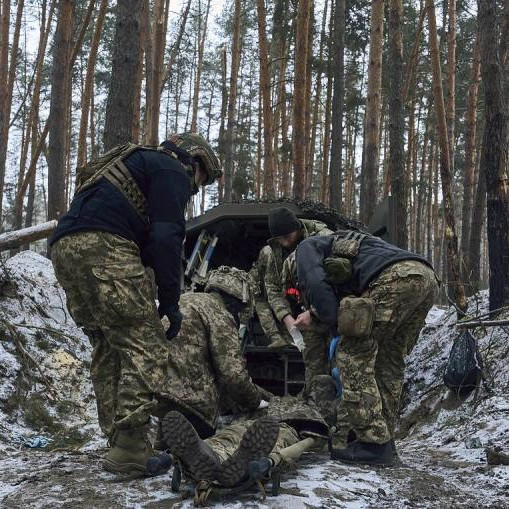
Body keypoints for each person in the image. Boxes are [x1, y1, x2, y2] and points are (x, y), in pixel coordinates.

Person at [50, 133, 221, 476]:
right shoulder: (172, 170)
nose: (195, 190)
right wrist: (171, 302)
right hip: (104, 245)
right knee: (147, 345)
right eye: (201, 181)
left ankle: (119, 439)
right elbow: (166, 237)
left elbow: (144, 239)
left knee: (108, 345)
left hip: (64, 248)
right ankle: (130, 447)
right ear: (195, 161)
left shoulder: (131, 165)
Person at [292, 230, 439, 466]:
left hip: (394, 279)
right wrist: (315, 314)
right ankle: (385, 441)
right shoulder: (349, 246)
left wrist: (326, 318)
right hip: (426, 277)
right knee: (388, 361)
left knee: (351, 353)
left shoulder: (305, 249)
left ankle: (372, 443)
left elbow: (319, 288)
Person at [156, 266, 263, 439]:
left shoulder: (185, 299)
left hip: (156, 390)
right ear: (237, 300)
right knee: (200, 444)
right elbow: (232, 374)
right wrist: (255, 401)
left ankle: (163, 448)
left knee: (170, 443)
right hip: (192, 401)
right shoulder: (219, 314)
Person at [263, 206, 332, 389]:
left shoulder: (324, 237)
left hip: (331, 312)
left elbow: (339, 282)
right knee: (314, 368)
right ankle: (317, 406)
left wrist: (314, 312)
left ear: (298, 228)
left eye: (288, 236)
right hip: (305, 319)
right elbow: (272, 287)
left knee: (338, 365)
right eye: (280, 238)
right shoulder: (275, 251)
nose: (285, 243)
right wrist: (286, 317)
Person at [249, 246, 291, 349]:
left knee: (280, 306)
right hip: (258, 285)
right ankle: (277, 338)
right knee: (262, 307)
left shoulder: (274, 252)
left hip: (271, 284)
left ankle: (286, 338)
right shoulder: (268, 251)